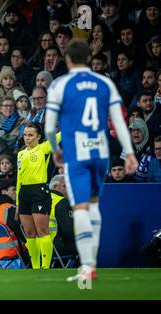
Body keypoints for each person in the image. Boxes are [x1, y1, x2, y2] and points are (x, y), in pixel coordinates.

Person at [44, 39, 138, 281]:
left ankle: (87, 266)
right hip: (100, 153)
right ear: (89, 58)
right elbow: (118, 120)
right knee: (94, 205)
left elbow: (47, 128)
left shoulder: (61, 84)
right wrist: (129, 152)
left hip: (76, 154)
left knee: (81, 208)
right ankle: (91, 263)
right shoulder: (104, 82)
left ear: (67, 60)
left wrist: (56, 149)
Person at [15, 122, 60, 270]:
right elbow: (19, 180)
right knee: (29, 233)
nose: (27, 138)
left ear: (39, 137)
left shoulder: (43, 148)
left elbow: (60, 136)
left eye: (30, 135)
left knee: (42, 231)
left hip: (39, 192)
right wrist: (17, 203)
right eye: (25, 135)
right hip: (24, 193)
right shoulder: (21, 154)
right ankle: (34, 267)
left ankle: (45, 267)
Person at [0, 178, 27, 265]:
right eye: (13, 189)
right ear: (4, 192)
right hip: (14, 250)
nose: (16, 192)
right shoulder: (10, 209)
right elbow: (22, 233)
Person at [48, 175, 77, 258]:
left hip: (38, 247)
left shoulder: (40, 200)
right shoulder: (62, 202)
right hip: (56, 246)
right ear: (55, 187)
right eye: (65, 186)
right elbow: (69, 231)